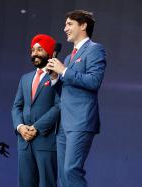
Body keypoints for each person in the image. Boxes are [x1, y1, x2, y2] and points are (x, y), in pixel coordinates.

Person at [46, 10, 106, 187]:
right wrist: (55, 78)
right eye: (65, 25)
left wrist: (64, 71)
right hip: (64, 124)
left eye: (69, 24)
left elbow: (94, 81)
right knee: (64, 176)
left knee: (71, 170)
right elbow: (65, 91)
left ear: (84, 25)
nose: (65, 28)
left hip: (81, 120)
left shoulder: (95, 50)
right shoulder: (66, 57)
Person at [12, 34, 60, 187]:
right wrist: (20, 127)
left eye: (40, 49)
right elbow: (16, 107)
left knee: (47, 183)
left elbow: (59, 106)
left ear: (50, 53)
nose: (35, 54)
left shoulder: (57, 76)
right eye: (33, 50)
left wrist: (36, 128)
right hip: (24, 141)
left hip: (45, 141)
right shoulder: (25, 78)